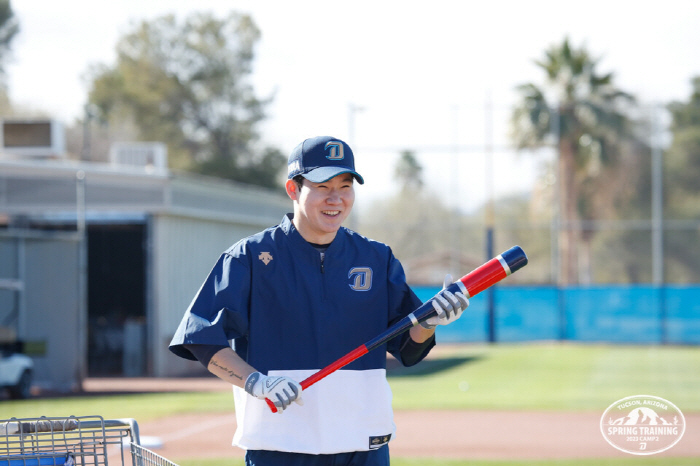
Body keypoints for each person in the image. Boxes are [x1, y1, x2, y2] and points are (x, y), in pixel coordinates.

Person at [169, 135, 469, 466]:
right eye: (323, 186)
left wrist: (429, 322)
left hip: (363, 444)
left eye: (345, 186)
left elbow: (409, 348)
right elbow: (201, 339)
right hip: (279, 445)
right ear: (293, 189)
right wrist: (256, 382)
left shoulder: (376, 257)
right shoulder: (249, 257)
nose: (336, 198)